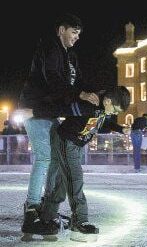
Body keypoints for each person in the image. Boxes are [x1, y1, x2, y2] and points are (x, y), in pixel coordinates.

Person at [19, 13, 100, 238]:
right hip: (34, 109)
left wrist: (95, 94)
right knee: (45, 157)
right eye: (74, 32)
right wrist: (80, 94)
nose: (76, 37)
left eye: (79, 34)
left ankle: (47, 208)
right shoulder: (50, 48)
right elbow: (53, 80)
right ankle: (31, 209)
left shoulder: (70, 57)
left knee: (55, 159)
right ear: (62, 29)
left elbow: (79, 82)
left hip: (50, 113)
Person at [39, 86, 130, 241]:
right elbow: (65, 104)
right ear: (108, 101)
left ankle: (47, 215)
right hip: (66, 141)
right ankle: (80, 221)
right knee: (75, 179)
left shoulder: (102, 108)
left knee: (63, 183)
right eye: (115, 110)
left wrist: (119, 128)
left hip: (75, 145)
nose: (115, 114)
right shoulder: (90, 104)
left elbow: (103, 122)